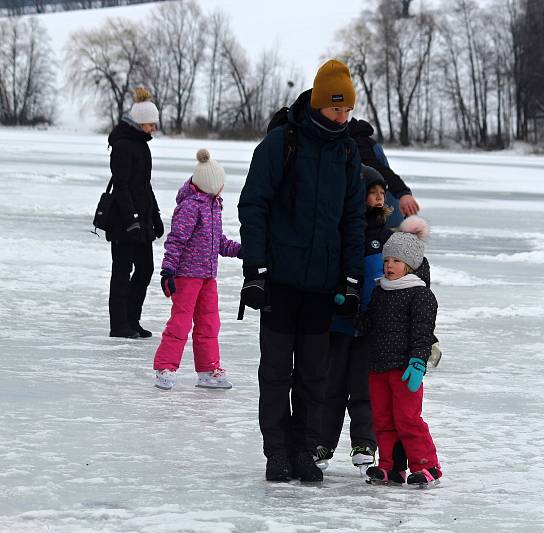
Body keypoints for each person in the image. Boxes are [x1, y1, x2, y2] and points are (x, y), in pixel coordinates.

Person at [238, 59, 365, 483]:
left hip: (322, 286)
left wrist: (351, 277)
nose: (342, 117)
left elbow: (353, 220)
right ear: (316, 103)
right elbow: (253, 204)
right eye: (335, 109)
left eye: (347, 110)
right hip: (278, 281)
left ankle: (305, 450)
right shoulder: (281, 143)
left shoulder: (347, 152)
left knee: (315, 375)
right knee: (275, 372)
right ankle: (277, 452)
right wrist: (254, 268)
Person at [315, 165, 394, 474]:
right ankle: (322, 440)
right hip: (339, 323)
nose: (377, 199)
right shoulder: (343, 232)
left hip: (370, 328)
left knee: (365, 387)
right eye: (371, 194)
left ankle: (364, 442)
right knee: (331, 385)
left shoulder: (387, 237)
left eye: (381, 194)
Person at [360, 215, 442, 486]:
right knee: (382, 420)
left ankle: (427, 466)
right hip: (378, 366)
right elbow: (371, 325)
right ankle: (391, 466)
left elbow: (422, 332)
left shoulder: (420, 295)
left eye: (396, 261)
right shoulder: (380, 291)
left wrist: (418, 361)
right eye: (386, 260)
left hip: (405, 369)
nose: (389, 266)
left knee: (407, 419)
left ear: (409, 266)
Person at [151, 149, 241, 391]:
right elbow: (176, 240)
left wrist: (242, 251)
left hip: (208, 277)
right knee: (180, 323)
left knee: (209, 323)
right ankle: (165, 367)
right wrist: (167, 271)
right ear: (212, 185)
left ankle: (208, 369)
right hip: (186, 276)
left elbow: (219, 242)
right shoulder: (191, 207)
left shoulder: (214, 206)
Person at [106, 87, 163, 339]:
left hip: (141, 220)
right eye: (151, 124)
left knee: (145, 268)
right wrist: (132, 220)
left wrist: (155, 215)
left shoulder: (142, 146)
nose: (154, 129)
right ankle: (119, 325)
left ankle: (132, 319)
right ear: (140, 123)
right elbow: (122, 186)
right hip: (123, 222)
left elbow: (144, 185)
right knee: (121, 271)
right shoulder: (122, 146)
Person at [348, 118, 421, 224]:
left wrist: (402, 192)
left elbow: (378, 170)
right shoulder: (359, 139)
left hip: (383, 213)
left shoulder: (357, 142)